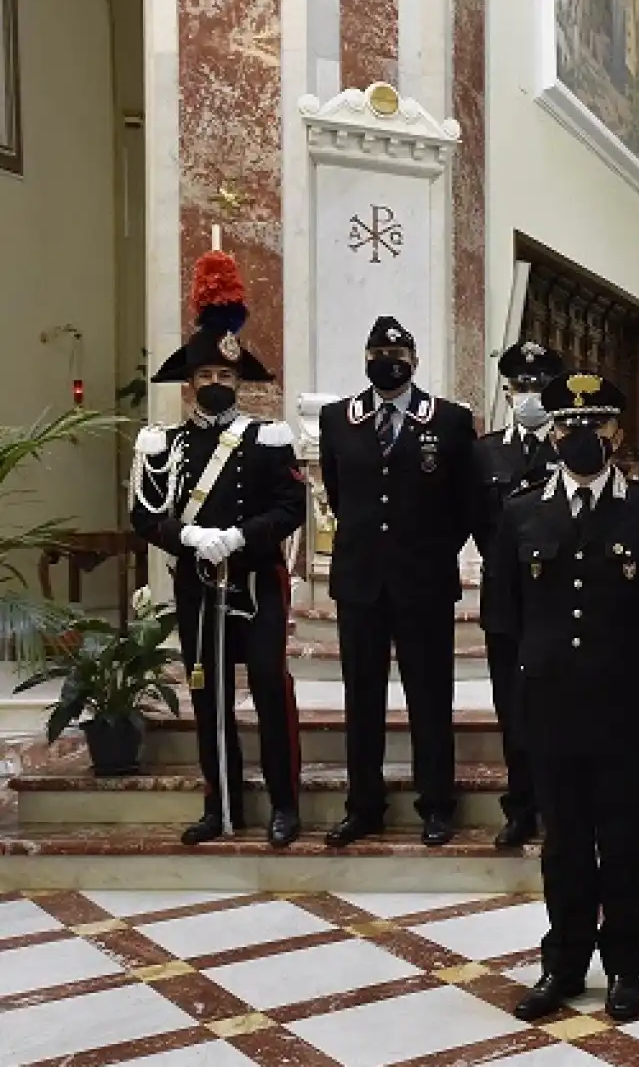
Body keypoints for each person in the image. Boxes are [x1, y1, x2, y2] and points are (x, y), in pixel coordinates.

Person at [486, 371, 639, 1024]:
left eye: (595, 424)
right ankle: (563, 963)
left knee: (622, 840)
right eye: (568, 424)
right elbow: (503, 619)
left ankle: (626, 967)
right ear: (552, 431)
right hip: (549, 706)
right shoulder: (520, 510)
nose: (580, 436)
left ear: (617, 432)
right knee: (563, 842)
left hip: (622, 704)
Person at [129, 246, 306, 848]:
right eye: (205, 376)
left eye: (225, 377)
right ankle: (220, 805)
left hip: (256, 582)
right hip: (199, 587)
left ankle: (285, 805)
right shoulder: (165, 445)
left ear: (239, 382)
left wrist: (237, 536)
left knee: (268, 688)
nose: (215, 385)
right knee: (209, 697)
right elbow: (143, 514)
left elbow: (290, 509)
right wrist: (187, 537)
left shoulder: (266, 438)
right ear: (190, 383)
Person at [318, 316, 476, 848]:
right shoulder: (339, 418)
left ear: (415, 360)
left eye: (400, 354)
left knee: (430, 697)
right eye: (380, 354)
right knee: (362, 699)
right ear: (365, 360)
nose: (390, 362)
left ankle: (437, 804)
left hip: (424, 581)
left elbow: (463, 506)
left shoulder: (450, 421)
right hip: (360, 581)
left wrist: (426, 553)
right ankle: (364, 805)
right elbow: (340, 495)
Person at [475, 340, 565, 850]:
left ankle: (555, 802)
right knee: (512, 707)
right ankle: (520, 806)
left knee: (555, 705)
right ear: (507, 392)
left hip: (556, 596)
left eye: (538, 386)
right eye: (521, 386)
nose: (529, 395)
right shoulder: (485, 451)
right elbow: (471, 518)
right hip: (507, 596)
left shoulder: (568, 447)